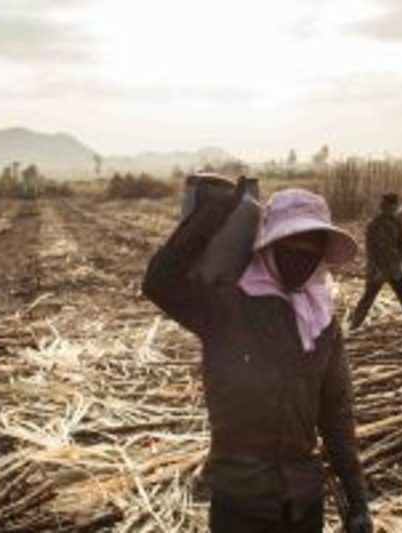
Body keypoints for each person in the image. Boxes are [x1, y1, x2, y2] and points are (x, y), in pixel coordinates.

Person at [143, 187, 373, 533]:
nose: (301, 257)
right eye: (290, 246)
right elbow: (159, 283)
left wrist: (358, 502)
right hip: (241, 501)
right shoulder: (227, 307)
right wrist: (210, 215)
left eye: (312, 250)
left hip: (303, 502)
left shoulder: (323, 323)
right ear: (267, 246)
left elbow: (336, 414)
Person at [350, 193, 402, 330]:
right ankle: (353, 327)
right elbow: (371, 250)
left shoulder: (397, 224)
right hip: (378, 270)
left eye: (393, 206)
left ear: (395, 207)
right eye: (386, 206)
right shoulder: (374, 225)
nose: (390, 209)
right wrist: (377, 270)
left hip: (394, 268)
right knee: (367, 299)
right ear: (383, 207)